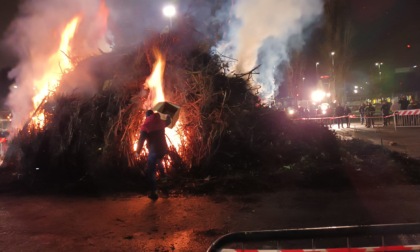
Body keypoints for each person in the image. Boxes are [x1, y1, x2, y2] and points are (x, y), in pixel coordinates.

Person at [137, 110, 172, 200]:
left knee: (151, 171)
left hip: (154, 151)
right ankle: (165, 190)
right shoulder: (160, 121)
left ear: (147, 116)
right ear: (153, 114)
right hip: (163, 149)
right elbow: (168, 122)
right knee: (160, 165)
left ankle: (154, 193)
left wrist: (138, 151)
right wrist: (168, 116)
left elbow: (141, 140)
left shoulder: (145, 126)